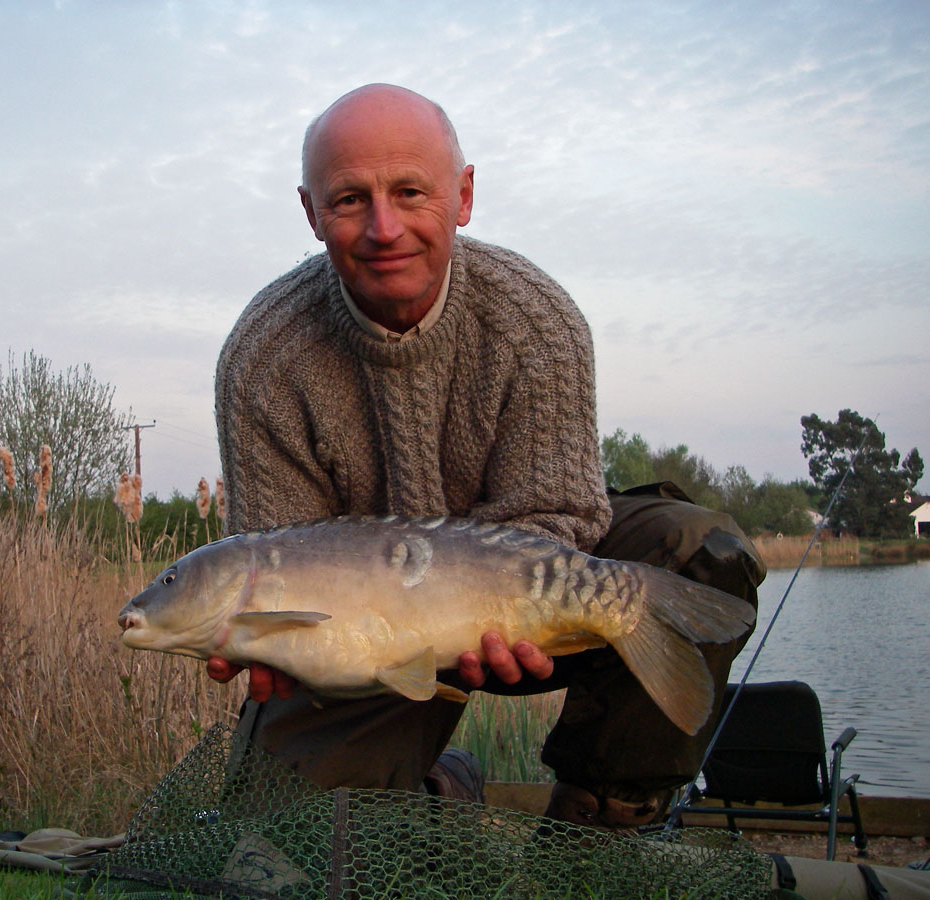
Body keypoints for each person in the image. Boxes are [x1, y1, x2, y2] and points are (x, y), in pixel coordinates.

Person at [209, 83, 765, 829]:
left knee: (696, 547)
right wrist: (277, 646)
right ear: (311, 213)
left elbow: (560, 514)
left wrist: (502, 611)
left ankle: (602, 813)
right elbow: (281, 556)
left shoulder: (535, 319)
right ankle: (443, 791)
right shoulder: (265, 358)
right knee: (282, 845)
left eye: (411, 191)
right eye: (349, 200)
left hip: (521, 600)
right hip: (370, 637)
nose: (384, 227)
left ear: (463, 196)